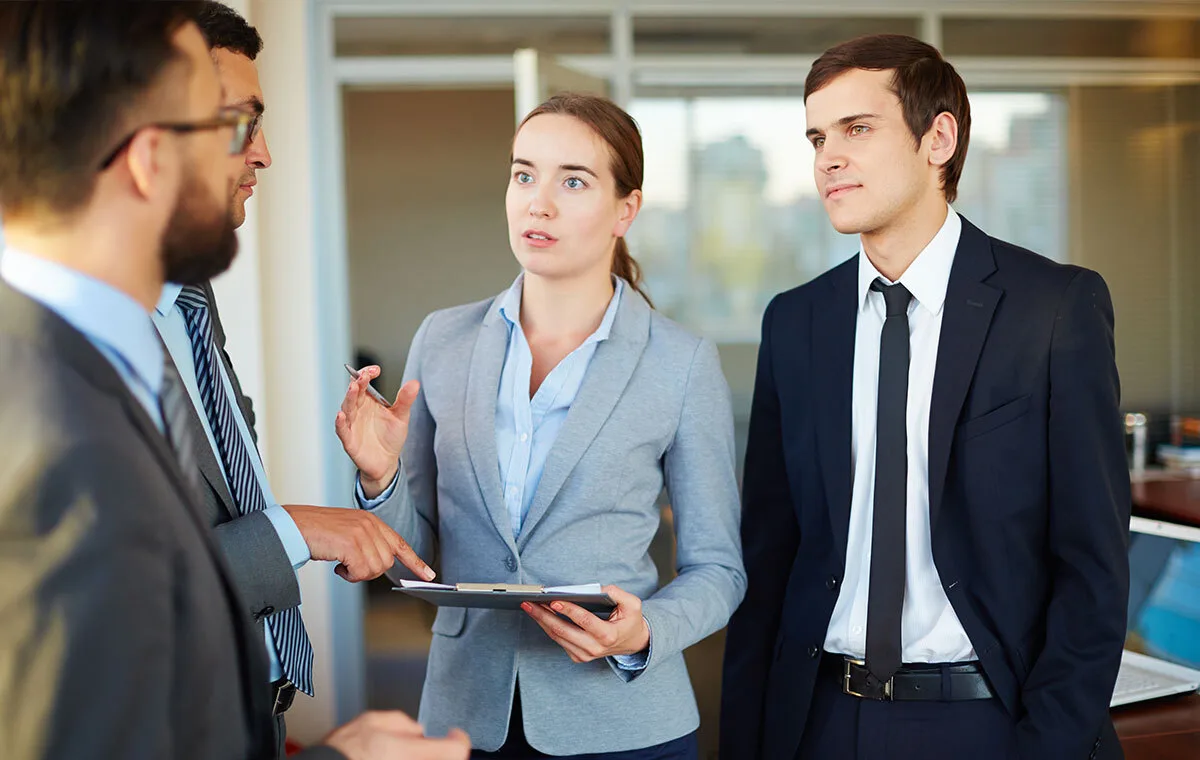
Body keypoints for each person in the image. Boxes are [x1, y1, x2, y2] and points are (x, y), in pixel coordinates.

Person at [0, 3, 468, 759]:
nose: (263, 156)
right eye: (232, 125)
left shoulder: (126, 340)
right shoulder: (49, 427)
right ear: (149, 153)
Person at [720, 34, 1131, 760]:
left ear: (938, 137)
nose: (828, 158)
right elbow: (771, 562)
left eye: (857, 129)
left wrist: (1047, 747)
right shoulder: (795, 322)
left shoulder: (1054, 309)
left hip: (987, 722)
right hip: (819, 722)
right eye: (818, 136)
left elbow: (1092, 568)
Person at [336, 93, 747, 758]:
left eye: (573, 181)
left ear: (626, 210)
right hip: (466, 717)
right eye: (524, 174)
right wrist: (379, 478)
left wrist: (644, 632)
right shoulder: (443, 340)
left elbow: (719, 569)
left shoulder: (681, 363)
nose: (539, 202)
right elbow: (416, 557)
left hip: (625, 723)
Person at [151, 4, 435, 750]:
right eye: (242, 123)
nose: (265, 154)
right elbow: (136, 594)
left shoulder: (190, 298)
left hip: (250, 706)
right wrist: (302, 530)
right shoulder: (65, 347)